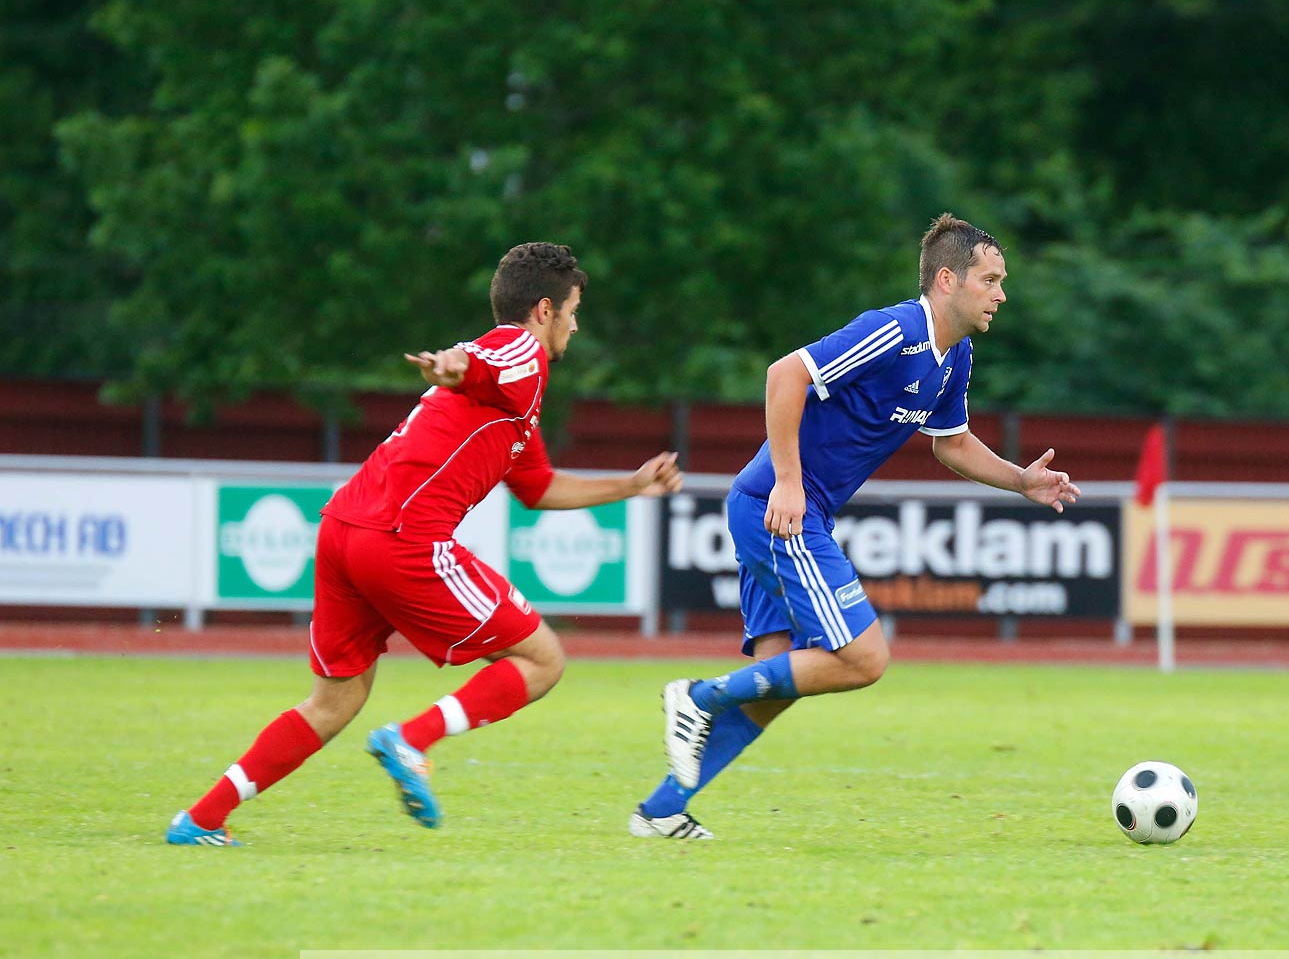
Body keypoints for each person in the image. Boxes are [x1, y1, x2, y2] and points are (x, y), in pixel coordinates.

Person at [166, 242, 684, 845]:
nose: (577, 322)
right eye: (573, 308)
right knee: (543, 660)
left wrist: (632, 484)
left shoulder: (516, 400)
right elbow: (481, 361)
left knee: (333, 703)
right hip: (402, 539)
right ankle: (411, 740)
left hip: (344, 529)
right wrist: (454, 366)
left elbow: (537, 487)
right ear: (544, 309)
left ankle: (199, 820)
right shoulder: (519, 352)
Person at [632, 214, 1080, 839]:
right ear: (947, 279)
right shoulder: (895, 330)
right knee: (864, 658)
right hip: (782, 505)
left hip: (778, 504)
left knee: (775, 681)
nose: (1002, 294)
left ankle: (660, 810)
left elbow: (950, 444)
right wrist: (789, 482)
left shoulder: (955, 357)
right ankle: (699, 698)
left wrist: (1020, 480)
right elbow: (784, 375)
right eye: (991, 279)